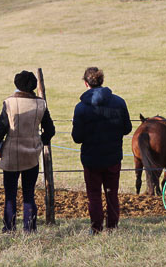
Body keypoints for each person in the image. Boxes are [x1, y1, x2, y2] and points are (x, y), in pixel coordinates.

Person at [0, 70, 55, 233]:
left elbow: (1, 128)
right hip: (32, 153)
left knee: (10, 194)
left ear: (17, 84)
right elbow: (50, 130)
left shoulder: (9, 103)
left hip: (11, 153)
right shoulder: (41, 104)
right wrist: (41, 141)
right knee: (29, 193)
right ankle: (30, 228)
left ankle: (9, 227)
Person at [71, 67, 132, 233]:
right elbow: (127, 128)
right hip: (113, 157)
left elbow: (77, 138)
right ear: (102, 81)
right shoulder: (119, 102)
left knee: (94, 195)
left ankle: (96, 228)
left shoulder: (81, 108)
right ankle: (112, 226)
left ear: (86, 83)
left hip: (91, 159)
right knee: (112, 193)